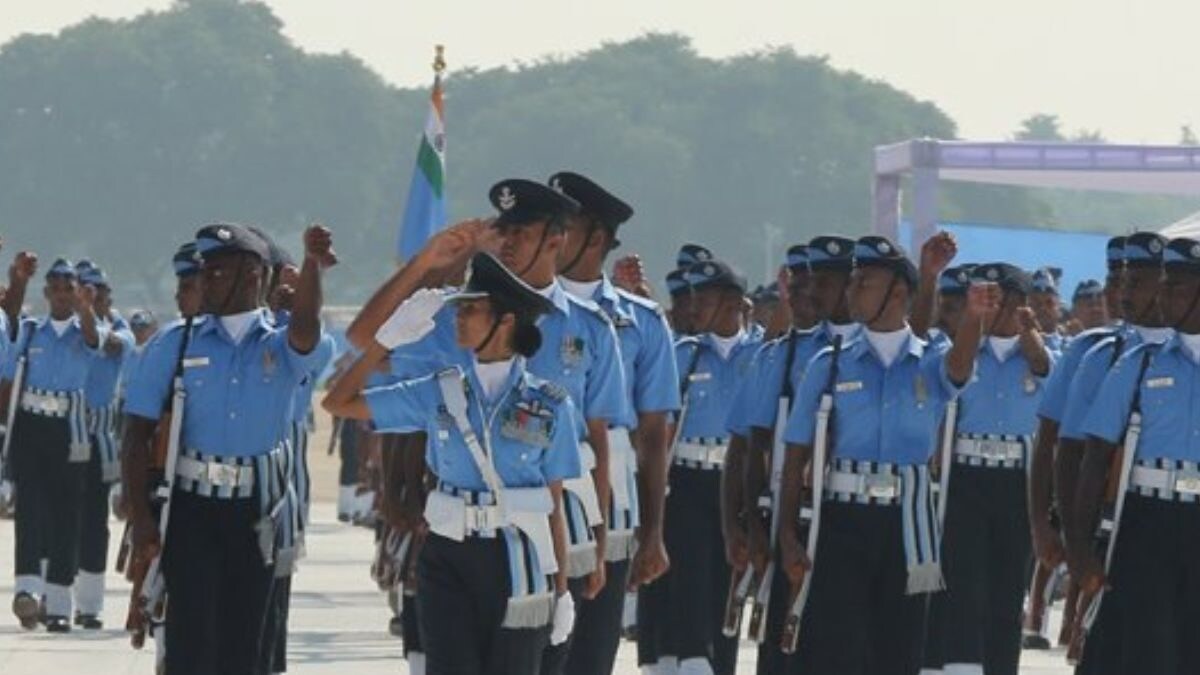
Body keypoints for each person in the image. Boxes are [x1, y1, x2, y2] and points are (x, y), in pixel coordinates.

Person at [345, 178, 627, 671]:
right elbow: (365, 337)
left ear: (557, 238)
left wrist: (599, 545)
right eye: (502, 230)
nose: (508, 241)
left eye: (522, 231)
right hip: (469, 523)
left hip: (559, 521)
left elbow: (598, 436)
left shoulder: (592, 327)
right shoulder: (466, 312)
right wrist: (426, 263)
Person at [325, 251, 579, 673]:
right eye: (459, 306)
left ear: (506, 321)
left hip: (518, 561)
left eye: (471, 308)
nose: (458, 317)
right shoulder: (438, 392)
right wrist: (386, 340)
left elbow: (553, 505)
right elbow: (338, 401)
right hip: (447, 557)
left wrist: (563, 588)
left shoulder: (549, 405)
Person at [122, 223, 334, 674]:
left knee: (245, 646)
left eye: (219, 271)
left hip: (255, 512)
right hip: (191, 510)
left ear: (254, 275)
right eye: (205, 271)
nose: (207, 281)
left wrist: (313, 266)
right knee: (191, 643)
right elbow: (136, 435)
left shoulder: (280, 342)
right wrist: (140, 519)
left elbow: (306, 333)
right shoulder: (175, 343)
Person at [777, 234, 994, 675]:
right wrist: (786, 536)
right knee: (838, 650)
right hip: (842, 521)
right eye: (853, 279)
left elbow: (960, 367)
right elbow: (796, 452)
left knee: (898, 650)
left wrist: (974, 318)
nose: (852, 288)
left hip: (907, 524)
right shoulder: (830, 362)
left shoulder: (929, 362)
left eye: (865, 281)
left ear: (897, 292)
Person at [550, 171, 680, 675]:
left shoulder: (641, 321)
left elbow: (652, 435)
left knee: (589, 651)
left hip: (608, 503)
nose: (555, 234)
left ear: (597, 238)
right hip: (530, 494)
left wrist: (653, 533)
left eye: (568, 223)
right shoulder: (519, 309)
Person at [1071, 235, 1200, 675]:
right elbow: (1094, 459)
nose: (1163, 297)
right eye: (1163, 285)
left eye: (1177, 287)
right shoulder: (1141, 363)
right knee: (1145, 648)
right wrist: (1080, 546)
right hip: (1147, 523)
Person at [739, 238, 858, 675]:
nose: (809, 293)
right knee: (784, 648)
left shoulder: (872, 354)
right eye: (804, 283)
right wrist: (754, 524)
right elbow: (755, 445)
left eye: (822, 282)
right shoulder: (792, 353)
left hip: (853, 521)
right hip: (794, 518)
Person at [640, 258, 761, 675]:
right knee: (690, 580)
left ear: (733, 303)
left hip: (739, 482)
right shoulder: (683, 355)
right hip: (689, 481)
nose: (694, 308)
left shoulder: (762, 354)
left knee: (727, 588)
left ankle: (719, 666)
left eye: (705, 299)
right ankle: (693, 661)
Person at [930, 263, 1052, 675]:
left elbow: (1049, 376)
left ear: (1019, 304)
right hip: (967, 476)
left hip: (1017, 479)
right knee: (963, 586)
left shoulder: (1041, 352)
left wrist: (1029, 336)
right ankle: (961, 667)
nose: (987, 307)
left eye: (997, 300)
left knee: (1006, 590)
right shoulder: (965, 348)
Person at [6, 256, 104, 632]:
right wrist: (18, 281)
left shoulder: (84, 330)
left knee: (66, 514)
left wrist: (87, 309)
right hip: (32, 424)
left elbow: (96, 342)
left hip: (69, 428)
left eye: (70, 289)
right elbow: (11, 334)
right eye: (58, 289)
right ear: (47, 292)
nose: (63, 296)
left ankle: (59, 603)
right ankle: (27, 589)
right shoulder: (33, 332)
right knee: (30, 506)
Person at [74, 263, 134, 629]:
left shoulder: (120, 329)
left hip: (98, 438)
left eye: (98, 290)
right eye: (85, 290)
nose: (92, 296)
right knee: (59, 516)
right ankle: (55, 594)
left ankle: (90, 604)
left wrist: (86, 313)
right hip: (62, 433)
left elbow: (107, 347)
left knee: (94, 521)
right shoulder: (64, 327)